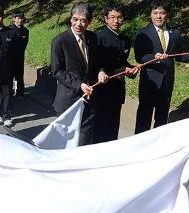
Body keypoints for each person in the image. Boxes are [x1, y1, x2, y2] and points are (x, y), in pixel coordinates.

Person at [134, 0, 189, 134]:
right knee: (144, 117)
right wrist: (154, 57)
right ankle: (139, 146)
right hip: (149, 82)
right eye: (155, 13)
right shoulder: (142, 33)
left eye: (162, 13)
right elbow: (140, 56)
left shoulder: (174, 33)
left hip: (167, 82)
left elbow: (179, 55)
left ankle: (159, 147)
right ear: (150, 14)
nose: (158, 16)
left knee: (162, 118)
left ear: (167, 15)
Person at [51, 1, 105, 146]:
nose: (78, 24)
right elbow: (57, 71)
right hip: (68, 100)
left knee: (85, 137)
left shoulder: (93, 38)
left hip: (89, 98)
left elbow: (97, 62)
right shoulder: (60, 41)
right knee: (64, 141)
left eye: (83, 20)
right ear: (71, 19)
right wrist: (79, 84)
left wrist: (101, 71)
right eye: (75, 19)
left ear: (90, 21)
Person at [94, 2, 139, 143]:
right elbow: (97, 64)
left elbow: (122, 62)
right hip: (102, 89)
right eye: (112, 17)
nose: (116, 21)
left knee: (114, 126)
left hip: (118, 89)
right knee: (100, 127)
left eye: (119, 17)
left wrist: (131, 69)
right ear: (105, 18)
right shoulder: (98, 38)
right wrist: (121, 70)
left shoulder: (125, 40)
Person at [9, 11, 29, 97]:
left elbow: (25, 43)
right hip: (10, 57)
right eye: (18, 18)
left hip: (20, 56)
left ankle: (20, 93)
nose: (20, 20)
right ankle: (9, 92)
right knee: (10, 75)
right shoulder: (9, 29)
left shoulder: (25, 31)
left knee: (20, 75)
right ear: (14, 19)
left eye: (21, 18)